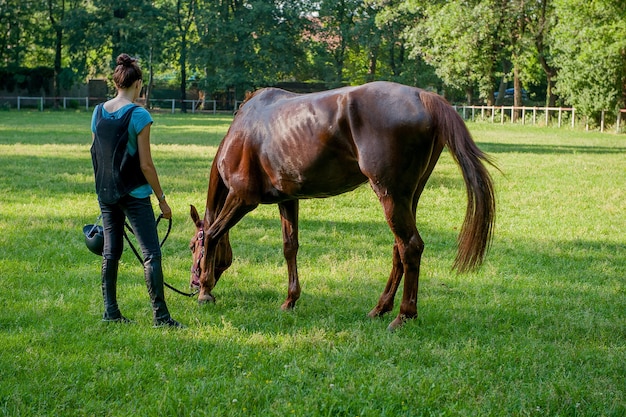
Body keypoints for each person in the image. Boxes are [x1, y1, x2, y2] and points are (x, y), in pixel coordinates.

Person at [90, 53, 183, 328]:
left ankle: (111, 313)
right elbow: (146, 164)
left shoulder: (97, 112)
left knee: (111, 253)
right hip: (135, 194)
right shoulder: (139, 114)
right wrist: (163, 201)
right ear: (138, 84)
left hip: (107, 192)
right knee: (151, 254)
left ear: (116, 82)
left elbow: (96, 153)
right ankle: (161, 317)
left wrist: (105, 191)